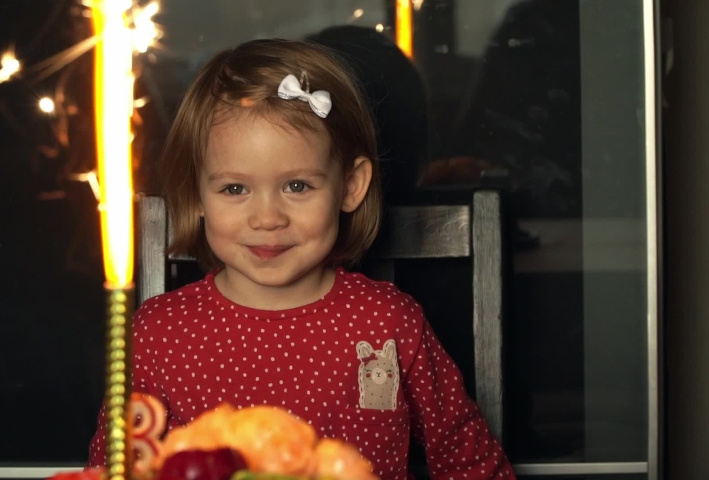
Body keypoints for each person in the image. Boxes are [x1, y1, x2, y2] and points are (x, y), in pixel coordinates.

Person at [87, 38, 514, 480]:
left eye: (297, 187)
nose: (268, 218)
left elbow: (471, 463)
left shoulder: (390, 324)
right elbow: (110, 469)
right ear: (196, 193)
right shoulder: (158, 334)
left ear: (351, 186)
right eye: (235, 189)